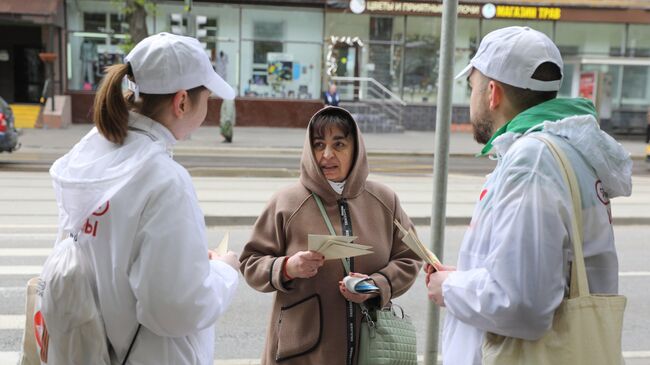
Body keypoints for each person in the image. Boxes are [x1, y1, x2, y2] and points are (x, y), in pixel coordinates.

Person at [425, 26, 632, 365]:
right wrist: (463, 277)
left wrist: (449, 288)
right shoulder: (564, 151)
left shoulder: (532, 161)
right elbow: (533, 271)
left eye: (472, 85)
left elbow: (522, 304)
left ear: (492, 93)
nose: (471, 97)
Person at [49, 32, 240, 364]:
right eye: (207, 97)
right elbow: (174, 308)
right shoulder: (164, 180)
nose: (208, 107)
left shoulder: (95, 153)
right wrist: (224, 272)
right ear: (182, 102)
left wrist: (191, 262)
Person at [240, 106, 421, 364]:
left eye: (339, 144)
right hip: (302, 352)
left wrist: (372, 286)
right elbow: (250, 261)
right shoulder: (286, 203)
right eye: (318, 144)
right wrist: (288, 267)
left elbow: (410, 257)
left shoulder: (384, 200)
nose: (327, 155)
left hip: (368, 351)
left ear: (355, 149)